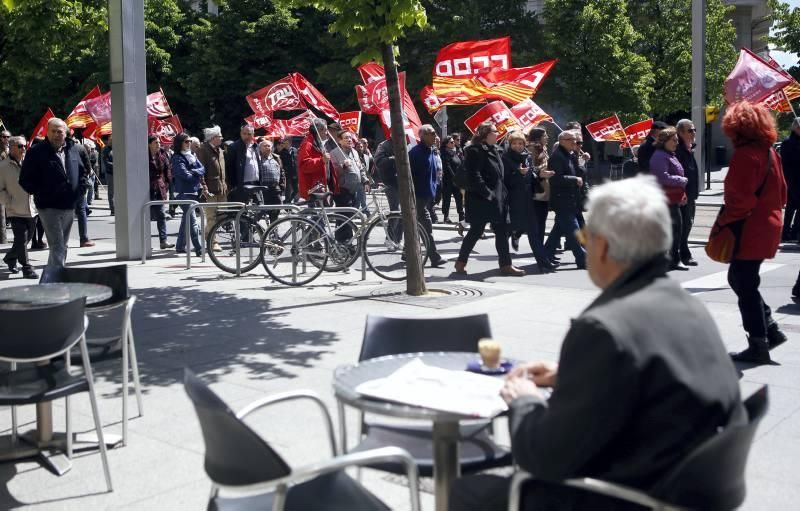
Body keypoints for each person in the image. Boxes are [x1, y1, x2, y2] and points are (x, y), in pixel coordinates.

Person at [449, 176, 745, 511]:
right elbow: (658, 377)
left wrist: (525, 400)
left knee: (465, 491)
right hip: (674, 483)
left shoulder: (602, 329)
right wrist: (572, 373)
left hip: (622, 495)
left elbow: (544, 457)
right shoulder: (687, 305)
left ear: (601, 246)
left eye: (585, 238)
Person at [720, 101, 788, 364]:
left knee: (744, 283)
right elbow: (783, 192)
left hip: (748, 228)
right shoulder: (771, 152)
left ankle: (759, 342)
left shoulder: (745, 155)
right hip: (768, 225)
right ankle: (769, 329)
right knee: (742, 280)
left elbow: (738, 200)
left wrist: (727, 221)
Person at [19, 118, 88, 282]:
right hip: (48, 207)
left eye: (60, 131)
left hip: (69, 205)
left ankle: (50, 280)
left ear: (66, 133)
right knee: (57, 245)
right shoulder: (36, 152)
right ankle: (57, 282)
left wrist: (80, 191)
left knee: (62, 246)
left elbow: (84, 171)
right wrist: (40, 193)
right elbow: (25, 179)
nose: (57, 134)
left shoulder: (75, 149)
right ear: (47, 132)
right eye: (53, 131)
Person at [455, 121, 525, 276]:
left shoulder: (497, 150)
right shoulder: (474, 151)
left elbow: (502, 172)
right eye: (494, 131)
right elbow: (475, 175)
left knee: (502, 231)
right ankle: (461, 262)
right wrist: (487, 194)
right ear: (485, 135)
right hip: (481, 199)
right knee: (476, 231)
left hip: (498, 198)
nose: (497, 133)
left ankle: (506, 265)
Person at [503, 130, 555, 272]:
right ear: (510, 144)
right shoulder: (505, 158)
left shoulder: (526, 157)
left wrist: (539, 174)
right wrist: (518, 174)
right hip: (512, 202)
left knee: (534, 232)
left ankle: (543, 262)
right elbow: (504, 180)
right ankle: (505, 263)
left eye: (520, 143)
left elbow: (531, 173)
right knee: (504, 233)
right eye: (514, 143)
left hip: (527, 199)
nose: (518, 146)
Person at [543, 130, 586, 269]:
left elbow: (579, 173)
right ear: (562, 141)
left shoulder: (570, 155)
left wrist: (581, 161)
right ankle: (582, 259)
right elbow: (556, 179)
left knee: (558, 230)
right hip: (562, 200)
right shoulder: (557, 157)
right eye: (571, 140)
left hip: (571, 199)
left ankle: (545, 254)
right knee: (574, 231)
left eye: (575, 140)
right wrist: (575, 179)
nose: (575, 142)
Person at [650, 127, 689, 271]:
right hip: (664, 200)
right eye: (674, 140)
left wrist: (682, 193)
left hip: (672, 199)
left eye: (677, 140)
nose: (676, 143)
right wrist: (681, 180)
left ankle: (672, 259)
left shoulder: (670, 155)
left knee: (675, 229)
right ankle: (671, 259)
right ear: (664, 141)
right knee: (673, 229)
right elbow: (662, 177)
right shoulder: (660, 156)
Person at [0, 136, 38, 278]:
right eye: (20, 146)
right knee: (21, 239)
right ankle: (27, 267)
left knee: (25, 240)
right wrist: (9, 202)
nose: (24, 149)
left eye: (24, 146)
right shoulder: (2, 167)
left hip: (32, 208)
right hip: (15, 210)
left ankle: (10, 257)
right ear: (11, 147)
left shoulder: (30, 162)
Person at [408, 125, 446, 267]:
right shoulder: (415, 153)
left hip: (427, 197)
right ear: (422, 136)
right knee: (426, 227)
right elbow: (408, 176)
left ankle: (406, 252)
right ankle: (434, 258)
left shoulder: (432, 151)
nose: (435, 136)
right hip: (417, 197)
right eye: (432, 133)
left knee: (415, 226)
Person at [171, 133, 205, 257]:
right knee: (193, 221)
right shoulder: (177, 157)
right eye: (186, 141)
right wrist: (196, 174)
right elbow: (184, 175)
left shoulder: (192, 155)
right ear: (180, 143)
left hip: (193, 192)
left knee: (186, 220)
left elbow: (202, 169)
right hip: (182, 193)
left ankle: (180, 246)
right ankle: (198, 248)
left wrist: (194, 172)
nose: (189, 144)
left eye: (190, 141)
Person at [196, 125, 227, 250]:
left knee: (223, 215)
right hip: (210, 190)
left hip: (222, 188)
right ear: (213, 138)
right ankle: (212, 241)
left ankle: (208, 234)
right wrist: (204, 187)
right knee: (211, 216)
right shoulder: (203, 150)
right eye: (220, 136)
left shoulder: (220, 150)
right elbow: (200, 171)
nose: (222, 138)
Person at [675, 119, 700, 266]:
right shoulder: (678, 150)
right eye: (690, 130)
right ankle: (683, 254)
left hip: (690, 194)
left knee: (688, 224)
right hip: (682, 195)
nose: (693, 133)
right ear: (680, 132)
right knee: (684, 225)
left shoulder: (688, 149)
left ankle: (682, 253)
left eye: (694, 130)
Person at [527, 128, 553, 251]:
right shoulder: (532, 149)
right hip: (537, 189)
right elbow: (530, 168)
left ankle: (540, 247)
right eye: (545, 135)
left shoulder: (543, 149)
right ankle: (539, 248)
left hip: (544, 187)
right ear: (538, 138)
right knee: (539, 219)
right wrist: (543, 168)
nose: (547, 137)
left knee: (542, 218)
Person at [69, 130, 95, 248]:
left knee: (64, 213)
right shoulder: (80, 148)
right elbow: (88, 168)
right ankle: (83, 238)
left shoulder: (56, 149)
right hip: (79, 186)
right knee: (81, 211)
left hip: (63, 186)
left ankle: (62, 240)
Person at [148, 135, 174, 250]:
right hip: (146, 188)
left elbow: (167, 170)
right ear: (149, 144)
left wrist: (166, 185)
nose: (158, 144)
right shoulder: (144, 155)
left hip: (159, 187)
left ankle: (163, 240)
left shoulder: (162, 155)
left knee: (161, 214)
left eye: (159, 142)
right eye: (155, 143)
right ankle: (144, 241)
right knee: (146, 216)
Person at [374, 137, 401, 242]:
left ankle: (397, 239)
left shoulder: (408, 142)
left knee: (404, 213)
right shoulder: (384, 145)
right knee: (396, 211)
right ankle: (390, 238)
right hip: (391, 182)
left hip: (403, 182)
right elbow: (378, 161)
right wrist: (393, 158)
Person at [298, 119, 333, 199]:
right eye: (326, 130)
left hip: (320, 187)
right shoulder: (307, 144)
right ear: (319, 130)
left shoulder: (318, 143)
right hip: (313, 190)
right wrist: (321, 160)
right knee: (316, 211)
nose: (327, 133)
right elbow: (304, 166)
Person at [226, 125, 262, 204]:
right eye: (244, 133)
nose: (246, 136)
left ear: (253, 135)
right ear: (240, 134)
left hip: (256, 183)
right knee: (241, 211)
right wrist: (233, 186)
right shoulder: (234, 147)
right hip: (241, 185)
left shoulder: (255, 147)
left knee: (258, 210)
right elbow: (229, 168)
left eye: (249, 134)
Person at [780, 117, 800, 242]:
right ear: (795, 128)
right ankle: (786, 232)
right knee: (790, 208)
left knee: (796, 208)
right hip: (792, 180)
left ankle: (794, 231)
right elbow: (785, 163)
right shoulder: (787, 142)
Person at [257, 139, 286, 223]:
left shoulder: (276, 158)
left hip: (275, 188)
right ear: (260, 148)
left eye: (268, 146)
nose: (267, 148)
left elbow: (282, 172)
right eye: (264, 146)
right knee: (261, 211)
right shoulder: (257, 158)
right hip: (263, 189)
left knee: (276, 209)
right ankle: (253, 228)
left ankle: (273, 230)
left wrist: (282, 186)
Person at [440, 135, 465, 225]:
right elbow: (447, 167)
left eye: (453, 142)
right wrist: (454, 177)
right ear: (446, 144)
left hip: (457, 180)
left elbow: (460, 163)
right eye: (451, 142)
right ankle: (446, 217)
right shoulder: (444, 153)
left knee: (459, 198)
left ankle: (461, 217)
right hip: (448, 181)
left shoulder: (455, 152)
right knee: (447, 199)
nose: (453, 143)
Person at [277, 137, 298, 203]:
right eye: (284, 143)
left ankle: (287, 201)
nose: (285, 145)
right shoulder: (281, 152)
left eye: (286, 143)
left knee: (296, 190)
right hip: (287, 173)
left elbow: (296, 160)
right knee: (288, 190)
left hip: (295, 172)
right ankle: (288, 204)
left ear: (290, 143)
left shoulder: (295, 150)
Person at [101, 134, 114, 215]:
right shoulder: (105, 149)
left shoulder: (118, 148)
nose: (110, 141)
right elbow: (106, 162)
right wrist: (115, 165)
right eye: (110, 140)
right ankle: (113, 209)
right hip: (110, 173)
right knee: (111, 192)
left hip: (119, 173)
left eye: (112, 140)